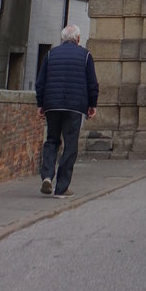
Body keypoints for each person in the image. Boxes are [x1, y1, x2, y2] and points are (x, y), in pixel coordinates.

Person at [35, 23, 98, 198]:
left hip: (52, 104)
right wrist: (92, 105)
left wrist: (41, 104)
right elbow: (92, 84)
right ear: (78, 39)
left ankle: (47, 176)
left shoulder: (50, 54)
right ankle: (61, 187)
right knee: (70, 145)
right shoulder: (85, 55)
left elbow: (40, 82)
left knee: (51, 141)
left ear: (62, 39)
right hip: (74, 106)